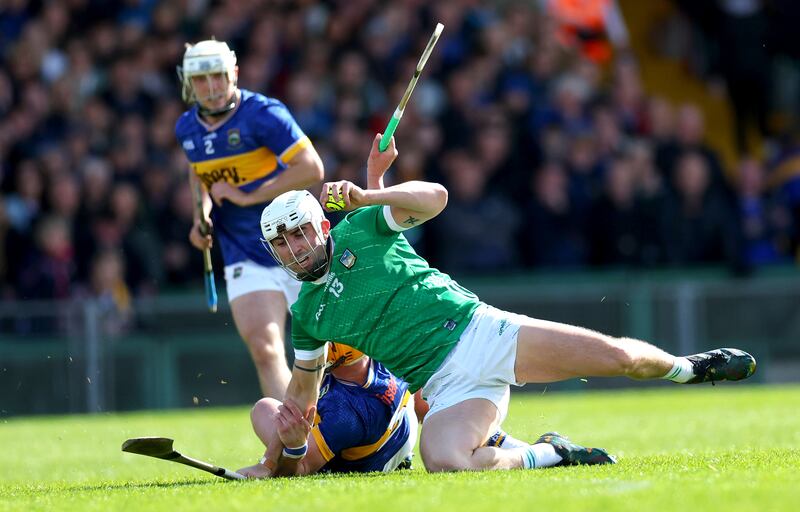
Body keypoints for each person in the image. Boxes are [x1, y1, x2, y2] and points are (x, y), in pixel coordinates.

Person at [257, 134, 756, 473]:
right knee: (445, 461)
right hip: (444, 386)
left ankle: (688, 369)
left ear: (322, 225)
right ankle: (550, 453)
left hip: (483, 334)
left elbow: (437, 197)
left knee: (618, 359)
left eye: (300, 233)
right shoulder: (307, 317)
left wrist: (369, 194)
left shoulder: (361, 228)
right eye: (282, 244)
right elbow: (301, 395)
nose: (295, 248)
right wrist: (291, 445)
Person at [175, 39, 324, 399]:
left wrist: (247, 196)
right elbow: (200, 176)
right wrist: (202, 217)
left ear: (234, 75)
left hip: (298, 245)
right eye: (201, 80)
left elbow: (311, 168)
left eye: (217, 77)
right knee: (265, 348)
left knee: (333, 352)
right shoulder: (186, 128)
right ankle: (293, 439)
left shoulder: (263, 115)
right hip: (244, 251)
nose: (210, 88)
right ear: (188, 83)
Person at [236, 342, 603, 478]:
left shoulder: (344, 411)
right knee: (429, 400)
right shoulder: (385, 351)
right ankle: (520, 443)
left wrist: (283, 455)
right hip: (405, 425)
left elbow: (297, 470)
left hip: (370, 451)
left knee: (265, 410)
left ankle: (545, 452)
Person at [237, 342, 418, 477]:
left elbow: (300, 469)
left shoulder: (348, 414)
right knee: (267, 409)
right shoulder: (377, 352)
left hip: (365, 458)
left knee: (264, 409)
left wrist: (295, 448)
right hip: (401, 424)